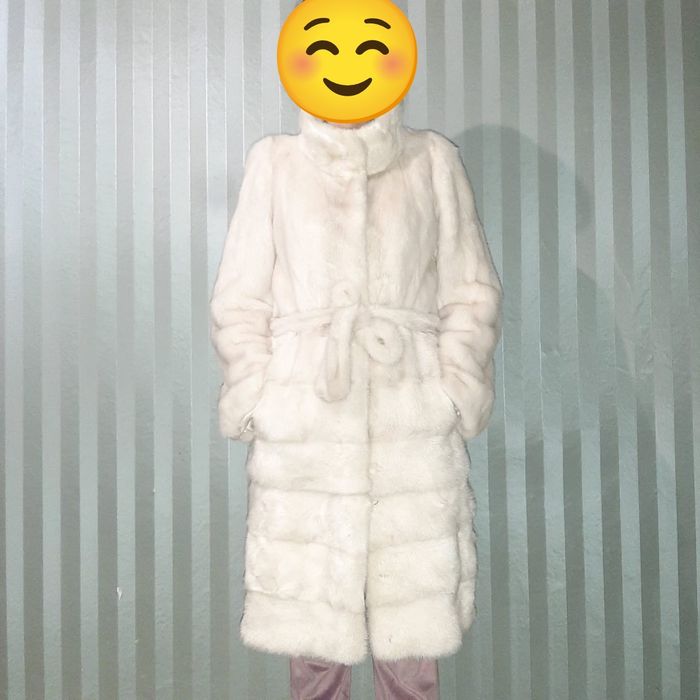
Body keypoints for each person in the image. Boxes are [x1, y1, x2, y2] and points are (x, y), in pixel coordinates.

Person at [209, 3, 503, 698]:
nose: (348, 65)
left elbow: (471, 291)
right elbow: (239, 300)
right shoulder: (275, 164)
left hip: (411, 425)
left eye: (370, 48)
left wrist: (453, 390)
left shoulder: (432, 161)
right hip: (306, 425)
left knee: (412, 655)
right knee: (314, 655)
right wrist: (258, 396)